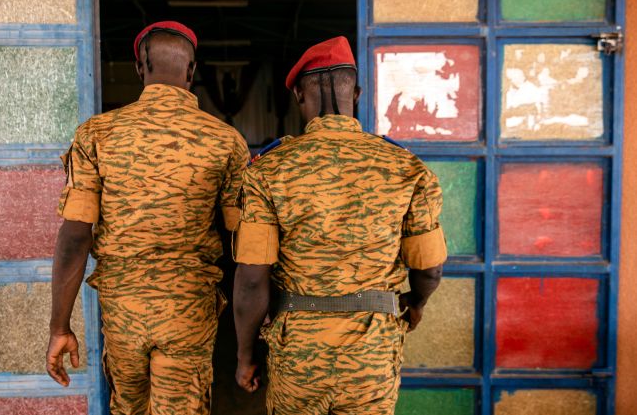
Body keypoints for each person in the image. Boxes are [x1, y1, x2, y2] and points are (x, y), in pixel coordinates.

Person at [232, 36, 447, 415]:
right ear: (357, 94)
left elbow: (251, 279)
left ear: (299, 94)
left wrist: (245, 355)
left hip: (299, 358)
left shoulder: (268, 170)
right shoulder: (407, 168)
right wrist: (415, 304)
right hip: (372, 356)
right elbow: (429, 269)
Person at [46, 21, 249, 415]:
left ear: (140, 68)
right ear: (192, 71)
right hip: (188, 310)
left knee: (129, 407)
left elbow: (74, 237)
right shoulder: (226, 141)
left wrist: (59, 327)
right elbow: (244, 241)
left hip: (124, 314)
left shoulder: (96, 135)